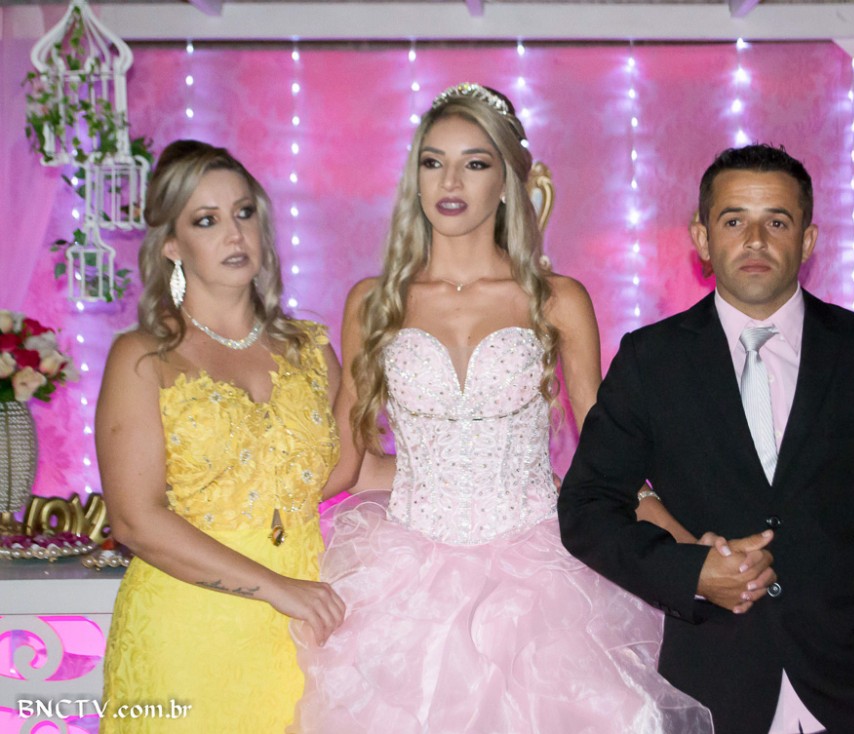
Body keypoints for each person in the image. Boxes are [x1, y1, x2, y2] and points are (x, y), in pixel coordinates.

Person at [289, 83, 713, 733]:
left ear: (509, 181)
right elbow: (347, 460)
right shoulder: (372, 302)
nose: (449, 181)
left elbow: (606, 451)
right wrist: (241, 517)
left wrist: (682, 543)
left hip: (540, 574)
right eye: (433, 161)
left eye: (475, 162)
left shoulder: (557, 299)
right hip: (402, 578)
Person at [558, 144, 854, 734]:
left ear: (808, 241)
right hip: (713, 683)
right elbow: (586, 508)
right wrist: (691, 572)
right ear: (702, 237)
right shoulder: (652, 359)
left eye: (777, 222)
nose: (755, 240)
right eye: (734, 221)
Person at [95, 140, 346, 732]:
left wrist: (483, 467)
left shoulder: (311, 350)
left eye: (243, 212)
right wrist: (275, 586)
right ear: (172, 245)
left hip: (303, 634)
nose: (234, 234)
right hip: (188, 636)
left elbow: (349, 469)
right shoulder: (143, 357)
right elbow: (133, 519)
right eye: (206, 220)